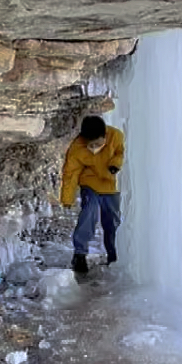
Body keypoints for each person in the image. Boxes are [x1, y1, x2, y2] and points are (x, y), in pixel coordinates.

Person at [60, 113, 124, 275]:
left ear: (105, 136)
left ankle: (114, 255)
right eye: (91, 145)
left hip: (111, 187)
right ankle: (80, 254)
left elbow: (121, 153)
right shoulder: (77, 148)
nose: (94, 148)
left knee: (112, 223)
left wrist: (115, 164)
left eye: (97, 144)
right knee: (88, 214)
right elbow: (71, 174)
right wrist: (67, 198)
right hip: (90, 185)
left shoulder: (116, 136)